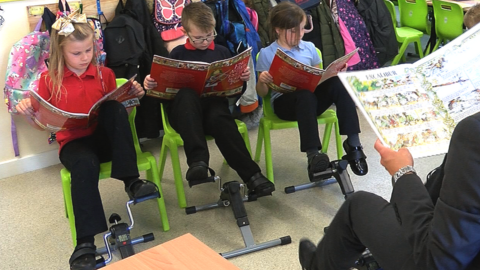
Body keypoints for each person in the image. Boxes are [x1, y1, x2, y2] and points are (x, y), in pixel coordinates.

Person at [15, 12, 155, 270]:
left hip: (103, 140)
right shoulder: (48, 81)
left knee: (113, 108)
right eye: (76, 53)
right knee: (84, 164)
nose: (84, 57)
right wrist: (28, 113)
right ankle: (85, 244)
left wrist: (133, 98)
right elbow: (42, 125)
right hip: (74, 145)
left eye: (88, 50)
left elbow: (122, 118)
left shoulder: (105, 75)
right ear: (61, 52)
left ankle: (132, 182)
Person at [298, 112, 480, 269]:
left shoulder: (473, 131)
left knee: (359, 206)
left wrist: (403, 173)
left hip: (446, 259)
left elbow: (437, 262)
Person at [143, 2, 275, 196]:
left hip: (214, 112)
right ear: (186, 32)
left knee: (219, 116)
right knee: (187, 94)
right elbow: (164, 95)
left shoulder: (221, 52)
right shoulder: (177, 54)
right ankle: (198, 162)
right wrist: (151, 84)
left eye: (209, 36)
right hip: (185, 116)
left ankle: (252, 176)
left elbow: (234, 94)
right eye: (198, 38)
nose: (205, 42)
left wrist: (241, 80)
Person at [255, 2, 368, 179]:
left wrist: (333, 73)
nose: (300, 34)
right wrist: (262, 81)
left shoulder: (309, 48)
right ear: (278, 29)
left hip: (311, 100)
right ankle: (313, 155)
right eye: (294, 31)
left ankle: (354, 144)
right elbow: (262, 93)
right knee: (304, 95)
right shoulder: (267, 53)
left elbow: (318, 76)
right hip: (285, 105)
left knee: (338, 83)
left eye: (302, 29)